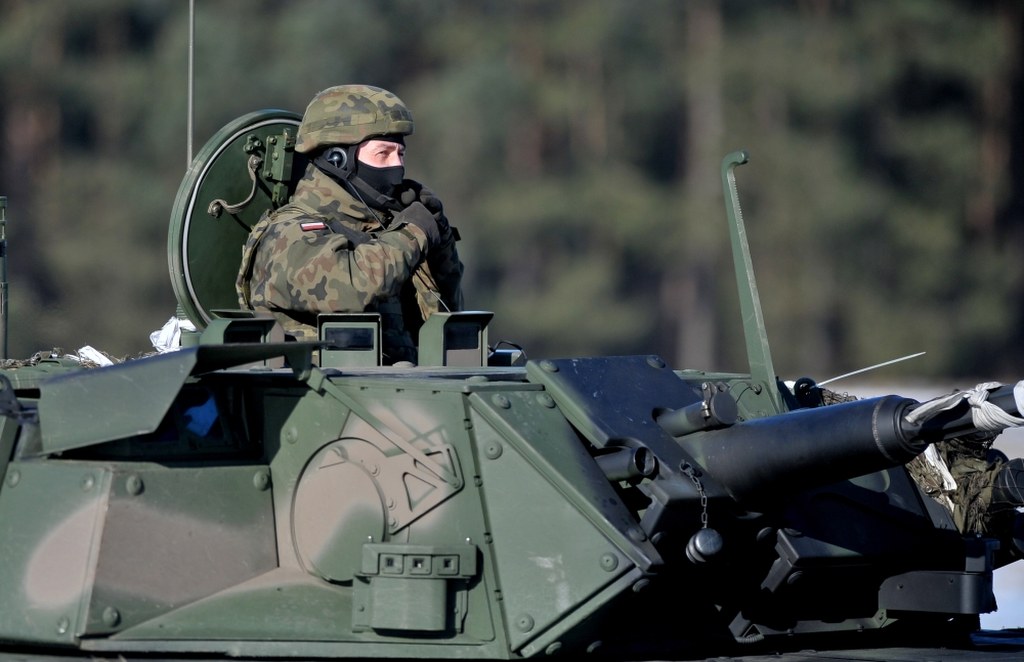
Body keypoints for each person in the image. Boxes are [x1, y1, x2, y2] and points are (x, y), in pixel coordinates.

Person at [236, 85, 464, 364]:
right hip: (317, 388)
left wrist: (439, 236)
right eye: (383, 154)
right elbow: (353, 289)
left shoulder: (387, 234)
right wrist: (414, 232)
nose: (397, 167)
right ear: (338, 159)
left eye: (400, 154)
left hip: (399, 385)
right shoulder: (289, 235)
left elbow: (442, 313)